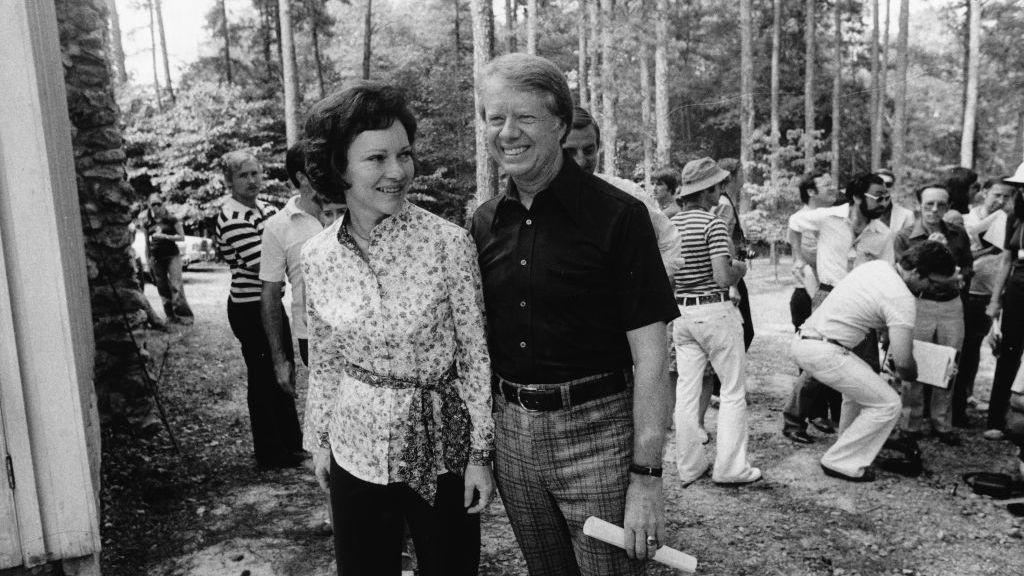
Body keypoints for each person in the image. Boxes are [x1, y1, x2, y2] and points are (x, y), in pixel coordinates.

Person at [471, 53, 677, 575]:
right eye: (496, 118)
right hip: (513, 439)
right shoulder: (484, 222)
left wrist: (646, 476)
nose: (508, 133)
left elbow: (653, 357)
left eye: (526, 118)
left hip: (600, 438)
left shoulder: (620, 216)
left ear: (560, 124)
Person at [301, 82, 494, 576]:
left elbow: (474, 355)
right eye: (376, 159)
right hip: (356, 445)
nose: (397, 172)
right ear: (338, 168)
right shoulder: (317, 256)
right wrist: (320, 441)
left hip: (441, 447)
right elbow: (325, 360)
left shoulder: (448, 244)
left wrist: (480, 455)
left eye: (404, 155)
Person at [791, 240, 957, 482]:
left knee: (860, 391)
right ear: (915, 272)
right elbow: (904, 364)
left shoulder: (878, 267)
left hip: (811, 340)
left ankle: (847, 446)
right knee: (888, 404)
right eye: (931, 282)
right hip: (824, 350)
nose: (931, 290)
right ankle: (840, 462)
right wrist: (936, 371)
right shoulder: (902, 298)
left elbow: (894, 343)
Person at [670, 157, 760, 486]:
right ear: (708, 190)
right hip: (714, 311)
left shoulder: (672, 226)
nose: (721, 190)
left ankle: (689, 466)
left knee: (687, 391)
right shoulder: (713, 224)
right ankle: (731, 468)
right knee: (734, 391)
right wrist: (740, 268)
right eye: (719, 186)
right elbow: (723, 276)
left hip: (682, 313)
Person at [783, 173, 893, 444]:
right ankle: (793, 420)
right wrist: (800, 257)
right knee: (820, 363)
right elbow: (794, 222)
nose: (884, 202)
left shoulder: (883, 234)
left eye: (887, 196)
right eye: (878, 196)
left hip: (863, 303)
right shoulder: (828, 217)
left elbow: (886, 275)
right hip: (828, 296)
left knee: (867, 368)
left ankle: (860, 430)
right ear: (857, 197)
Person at [215, 151, 305, 470]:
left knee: (284, 366)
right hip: (248, 306)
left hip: (270, 302)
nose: (252, 180)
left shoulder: (266, 209)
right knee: (263, 373)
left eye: (255, 173)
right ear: (229, 182)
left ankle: (292, 443)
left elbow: (283, 247)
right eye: (243, 175)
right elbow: (260, 264)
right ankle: (269, 452)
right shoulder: (232, 217)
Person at [892, 184, 972, 446]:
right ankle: (910, 424)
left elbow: (968, 269)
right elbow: (906, 274)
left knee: (948, 364)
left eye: (941, 204)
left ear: (949, 207)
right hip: (920, 303)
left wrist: (955, 276)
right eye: (929, 204)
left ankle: (942, 423)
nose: (935, 210)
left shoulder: (958, 234)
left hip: (951, 305)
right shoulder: (905, 236)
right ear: (919, 205)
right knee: (914, 362)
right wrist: (944, 271)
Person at [260, 142, 345, 382]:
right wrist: (279, 359)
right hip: (312, 335)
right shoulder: (278, 226)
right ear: (302, 177)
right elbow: (270, 294)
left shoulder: (350, 209)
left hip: (361, 328)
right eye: (321, 168)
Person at [562, 105, 680, 277]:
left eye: (588, 151)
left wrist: (651, 284)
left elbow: (669, 239)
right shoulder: (536, 199)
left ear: (597, 148)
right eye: (570, 152)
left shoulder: (625, 193)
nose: (580, 161)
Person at [955, 178, 1013, 425]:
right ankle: (950, 402)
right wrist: (988, 251)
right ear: (984, 192)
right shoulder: (965, 220)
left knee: (977, 347)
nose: (1000, 201)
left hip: (992, 294)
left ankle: (966, 395)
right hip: (968, 291)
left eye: (1006, 197)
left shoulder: (1009, 221)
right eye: (997, 195)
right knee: (962, 347)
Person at [985, 170, 1024, 441]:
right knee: (1008, 352)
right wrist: (995, 300)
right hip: (1018, 288)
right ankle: (996, 419)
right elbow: (1006, 260)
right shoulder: (1015, 217)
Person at [139, 192, 194, 324]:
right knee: (162, 287)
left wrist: (166, 237)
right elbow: (147, 243)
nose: (156, 206)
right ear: (149, 206)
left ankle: (184, 316)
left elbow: (182, 237)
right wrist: (148, 261)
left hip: (172, 256)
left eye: (159, 203)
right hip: (156, 258)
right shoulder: (147, 222)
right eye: (153, 204)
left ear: (163, 204)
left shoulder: (171, 219)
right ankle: (170, 316)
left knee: (176, 286)